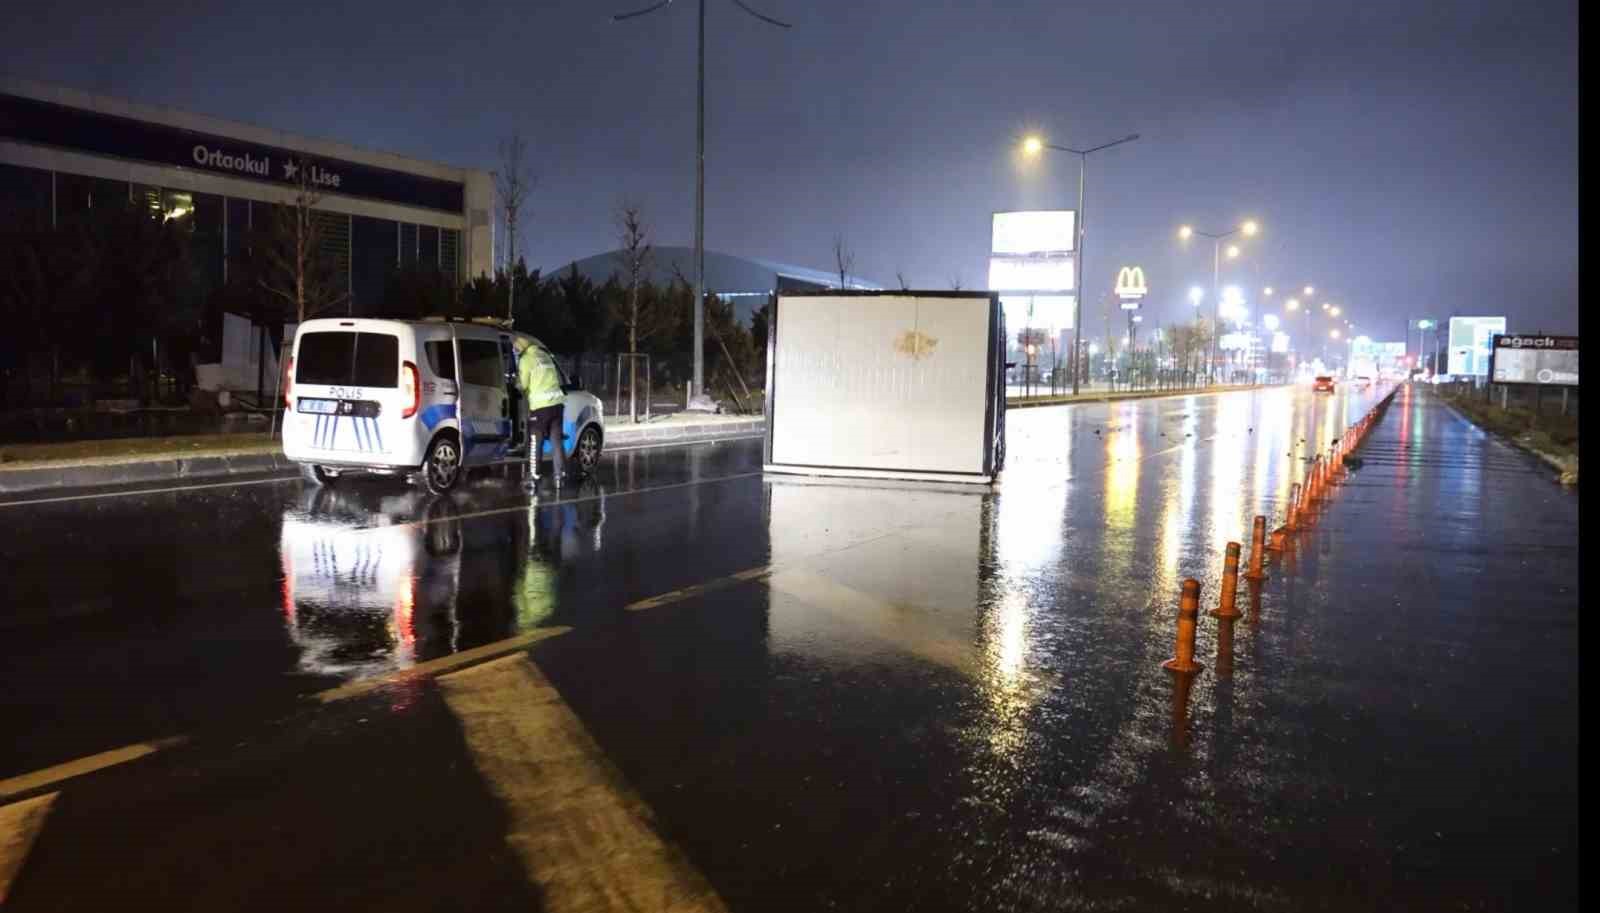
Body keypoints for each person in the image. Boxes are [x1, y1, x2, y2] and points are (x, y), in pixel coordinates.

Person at [515, 336, 566, 489]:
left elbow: (523, 385)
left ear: (521, 348)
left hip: (540, 408)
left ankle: (533, 476)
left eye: (516, 348)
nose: (515, 350)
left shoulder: (526, 359)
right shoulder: (544, 355)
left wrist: (514, 383)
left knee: (535, 443)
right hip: (557, 405)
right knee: (557, 442)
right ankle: (559, 477)